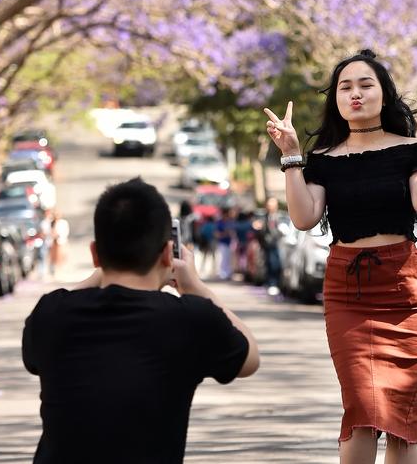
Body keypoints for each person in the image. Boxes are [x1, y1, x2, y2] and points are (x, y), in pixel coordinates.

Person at [264, 49, 417, 464]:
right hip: (348, 294)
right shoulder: (322, 160)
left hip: (402, 293)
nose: (355, 94)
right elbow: (303, 217)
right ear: (335, 99)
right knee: (363, 407)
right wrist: (291, 155)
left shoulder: (410, 149)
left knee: (402, 417)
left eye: (365, 84)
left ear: (384, 95)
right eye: (345, 87)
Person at [21, 178, 260, 464]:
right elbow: (250, 358)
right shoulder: (192, 318)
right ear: (165, 254)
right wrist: (195, 286)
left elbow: (35, 350)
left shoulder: (51, 314)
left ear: (95, 253)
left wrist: (102, 274)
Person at [260, 197, 283, 295]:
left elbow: (278, 231)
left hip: (276, 244)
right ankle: (270, 283)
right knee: (268, 263)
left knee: (275, 264)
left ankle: (275, 283)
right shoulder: (265, 216)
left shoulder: (279, 217)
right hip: (267, 244)